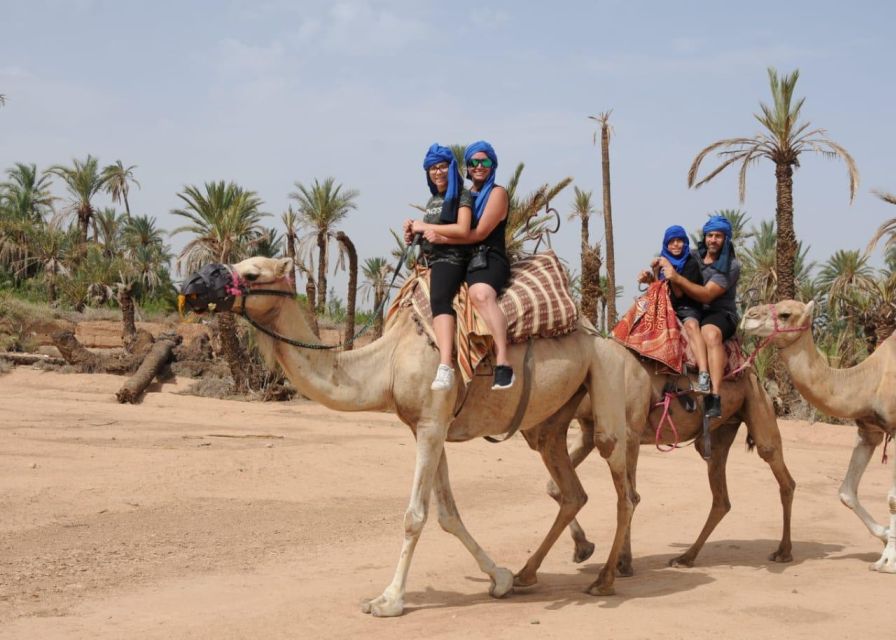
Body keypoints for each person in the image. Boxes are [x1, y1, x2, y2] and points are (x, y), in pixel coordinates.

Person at [410, 140, 514, 390]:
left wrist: (436, 233)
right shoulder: (460, 196)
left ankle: (503, 363)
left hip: (489, 256)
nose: (479, 166)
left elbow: (477, 234)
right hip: (465, 258)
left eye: (485, 161)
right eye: (473, 162)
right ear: (466, 167)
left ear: (493, 164)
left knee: (480, 294)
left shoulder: (497, 193)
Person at [402, 143, 475, 391]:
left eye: (442, 166)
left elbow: (463, 229)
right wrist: (414, 232)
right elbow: (430, 231)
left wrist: (426, 227)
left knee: (440, 299)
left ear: (452, 168)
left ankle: (445, 365)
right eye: (432, 168)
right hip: (431, 260)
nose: (437, 172)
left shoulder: (463, 196)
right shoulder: (433, 199)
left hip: (452, 258)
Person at [657, 215, 741, 418]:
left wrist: (676, 278)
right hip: (692, 309)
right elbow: (672, 259)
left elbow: (707, 294)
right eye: (710, 235)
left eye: (718, 236)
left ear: (726, 239)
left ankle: (715, 396)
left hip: (720, 312)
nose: (713, 240)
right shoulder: (694, 256)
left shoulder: (731, 266)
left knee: (710, 333)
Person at [638, 225, 711, 392]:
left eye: (679, 241)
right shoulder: (662, 262)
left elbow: (678, 293)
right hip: (666, 306)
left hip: (687, 307)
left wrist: (669, 269)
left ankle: (704, 373)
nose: (676, 245)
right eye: (672, 242)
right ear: (666, 244)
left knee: (691, 326)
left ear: (685, 242)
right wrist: (649, 277)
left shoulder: (691, 263)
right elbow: (659, 288)